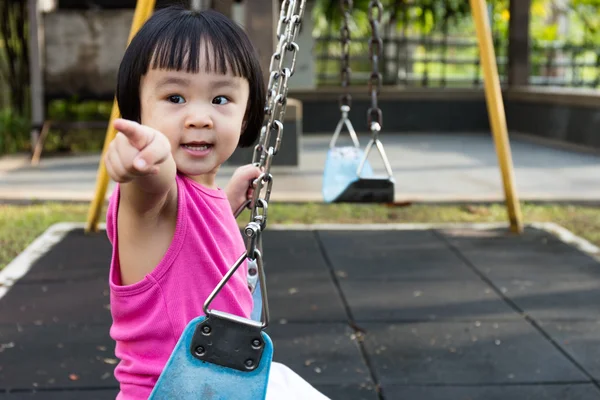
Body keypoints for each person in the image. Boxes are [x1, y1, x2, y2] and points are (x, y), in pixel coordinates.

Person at [104, 6, 329, 400]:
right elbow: (150, 188)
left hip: (217, 386)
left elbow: (187, 247)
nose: (199, 117)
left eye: (221, 98)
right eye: (175, 97)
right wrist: (140, 160)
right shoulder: (148, 201)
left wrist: (227, 203)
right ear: (138, 111)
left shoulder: (196, 200)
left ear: (245, 118)